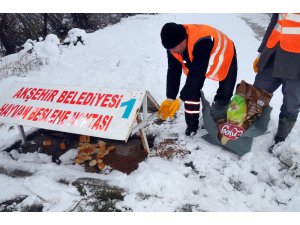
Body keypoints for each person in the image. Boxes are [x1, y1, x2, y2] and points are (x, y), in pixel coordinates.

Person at [158, 22, 237, 136]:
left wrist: (181, 99)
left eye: (173, 48)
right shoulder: (173, 46)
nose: (172, 51)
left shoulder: (202, 42)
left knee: (226, 89)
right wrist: (170, 97)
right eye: (169, 49)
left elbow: (197, 75)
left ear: (183, 39)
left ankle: (217, 115)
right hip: (198, 58)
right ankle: (192, 125)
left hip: (225, 54)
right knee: (191, 90)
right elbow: (173, 71)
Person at [253, 13, 300, 152]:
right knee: (256, 93)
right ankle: (242, 128)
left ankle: (280, 140)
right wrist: (262, 50)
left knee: (291, 103)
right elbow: (275, 21)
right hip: (274, 52)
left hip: (296, 62)